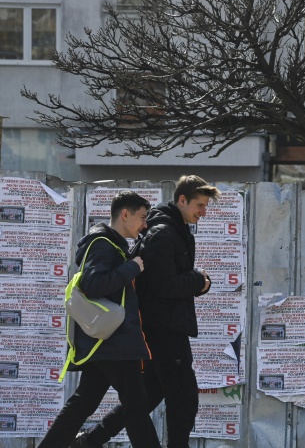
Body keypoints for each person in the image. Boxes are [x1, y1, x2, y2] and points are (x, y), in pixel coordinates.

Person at [75, 176, 220, 448]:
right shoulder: (164, 233)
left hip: (161, 326)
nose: (203, 211)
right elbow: (163, 284)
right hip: (163, 329)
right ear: (182, 200)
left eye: (206, 206)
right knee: (183, 396)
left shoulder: (174, 230)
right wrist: (197, 280)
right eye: (199, 205)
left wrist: (196, 284)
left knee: (150, 394)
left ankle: (91, 440)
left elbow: (167, 280)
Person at [39, 192, 160, 448]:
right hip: (115, 344)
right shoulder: (102, 244)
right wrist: (132, 268)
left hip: (107, 342)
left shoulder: (113, 244)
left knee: (83, 403)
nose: (145, 224)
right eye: (141, 217)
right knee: (136, 407)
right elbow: (92, 285)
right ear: (124, 215)